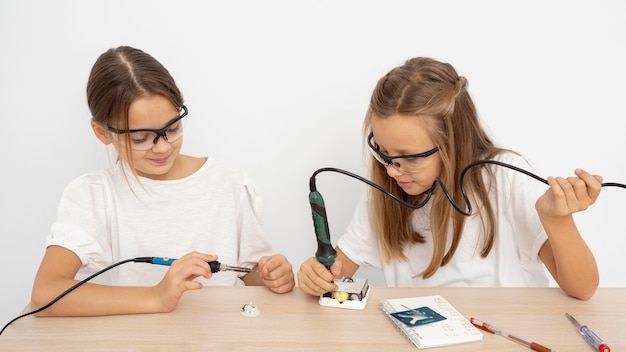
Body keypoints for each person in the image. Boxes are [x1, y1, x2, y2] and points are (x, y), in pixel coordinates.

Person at [297, 57, 602, 301]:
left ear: (455, 141)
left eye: (411, 157)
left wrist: (557, 219)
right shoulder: (386, 188)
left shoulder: (504, 178)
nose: (392, 170)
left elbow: (583, 289)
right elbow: (336, 270)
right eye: (383, 151)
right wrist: (317, 274)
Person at [30, 46, 295, 317]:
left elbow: (249, 274)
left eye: (172, 129)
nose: (162, 147)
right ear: (102, 132)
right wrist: (157, 296)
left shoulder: (229, 182)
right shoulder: (93, 195)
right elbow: (45, 295)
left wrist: (273, 276)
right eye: (140, 138)